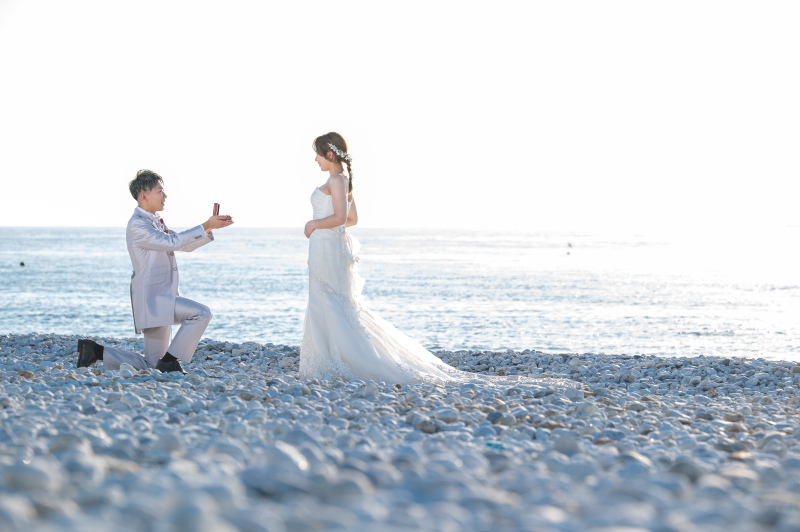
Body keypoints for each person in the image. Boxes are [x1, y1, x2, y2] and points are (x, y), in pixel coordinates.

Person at [300, 133, 480, 385]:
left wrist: (314, 224)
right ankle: (328, 359)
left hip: (326, 247)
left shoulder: (337, 180)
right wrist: (326, 229)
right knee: (328, 300)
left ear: (330, 154)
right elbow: (352, 220)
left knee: (327, 300)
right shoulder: (342, 180)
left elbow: (341, 218)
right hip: (327, 245)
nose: (316, 159)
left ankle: (336, 362)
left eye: (318, 154)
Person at [76, 169, 233, 374]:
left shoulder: (154, 222)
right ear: (144, 195)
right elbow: (173, 242)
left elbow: (183, 245)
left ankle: (94, 351)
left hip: (161, 299)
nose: (165, 196)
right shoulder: (138, 225)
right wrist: (205, 225)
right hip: (154, 300)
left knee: (152, 364)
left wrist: (209, 228)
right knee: (201, 313)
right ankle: (170, 361)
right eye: (160, 191)